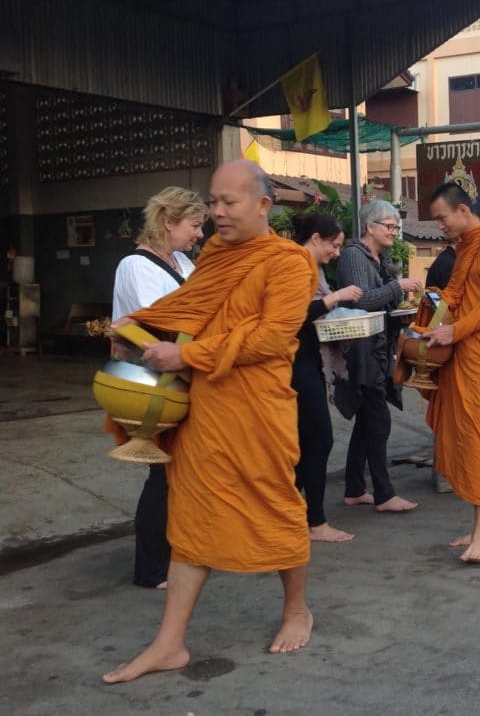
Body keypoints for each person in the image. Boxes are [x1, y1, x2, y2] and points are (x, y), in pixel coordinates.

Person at [103, 160, 318, 684]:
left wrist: (189, 356)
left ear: (263, 205)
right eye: (213, 202)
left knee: (276, 503)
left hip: (257, 408)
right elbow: (190, 302)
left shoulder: (289, 263)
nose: (216, 213)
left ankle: (297, 608)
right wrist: (138, 322)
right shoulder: (217, 255)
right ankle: (169, 642)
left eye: (229, 203)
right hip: (206, 409)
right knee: (192, 517)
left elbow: (270, 336)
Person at [415, 183, 480, 563]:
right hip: (463, 349)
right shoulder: (466, 247)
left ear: (463, 210)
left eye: (442, 218)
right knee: (469, 433)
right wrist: (427, 318)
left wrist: (456, 330)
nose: (440, 226)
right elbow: (455, 294)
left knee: (478, 436)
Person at [111, 186, 207, 591]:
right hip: (151, 381)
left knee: (183, 471)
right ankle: (151, 568)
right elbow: (168, 322)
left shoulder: (182, 260)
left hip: (182, 374)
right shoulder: (135, 266)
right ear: (169, 222)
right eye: (194, 225)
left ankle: (180, 552)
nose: (199, 234)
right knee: (163, 472)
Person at [335, 200, 422, 513]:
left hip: (378, 349)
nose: (393, 232)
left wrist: (400, 311)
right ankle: (384, 494)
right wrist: (397, 288)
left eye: (396, 227)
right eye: (389, 226)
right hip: (361, 352)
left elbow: (381, 303)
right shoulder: (354, 256)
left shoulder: (378, 258)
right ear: (369, 226)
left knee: (366, 423)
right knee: (378, 422)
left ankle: (355, 488)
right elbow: (362, 300)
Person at [290, 213, 363, 542]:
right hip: (294, 364)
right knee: (317, 440)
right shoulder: (294, 264)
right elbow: (292, 315)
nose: (337, 253)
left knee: (307, 443)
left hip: (308, 360)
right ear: (316, 238)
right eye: (334, 245)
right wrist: (334, 298)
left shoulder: (311, 266)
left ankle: (292, 513)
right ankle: (313, 521)